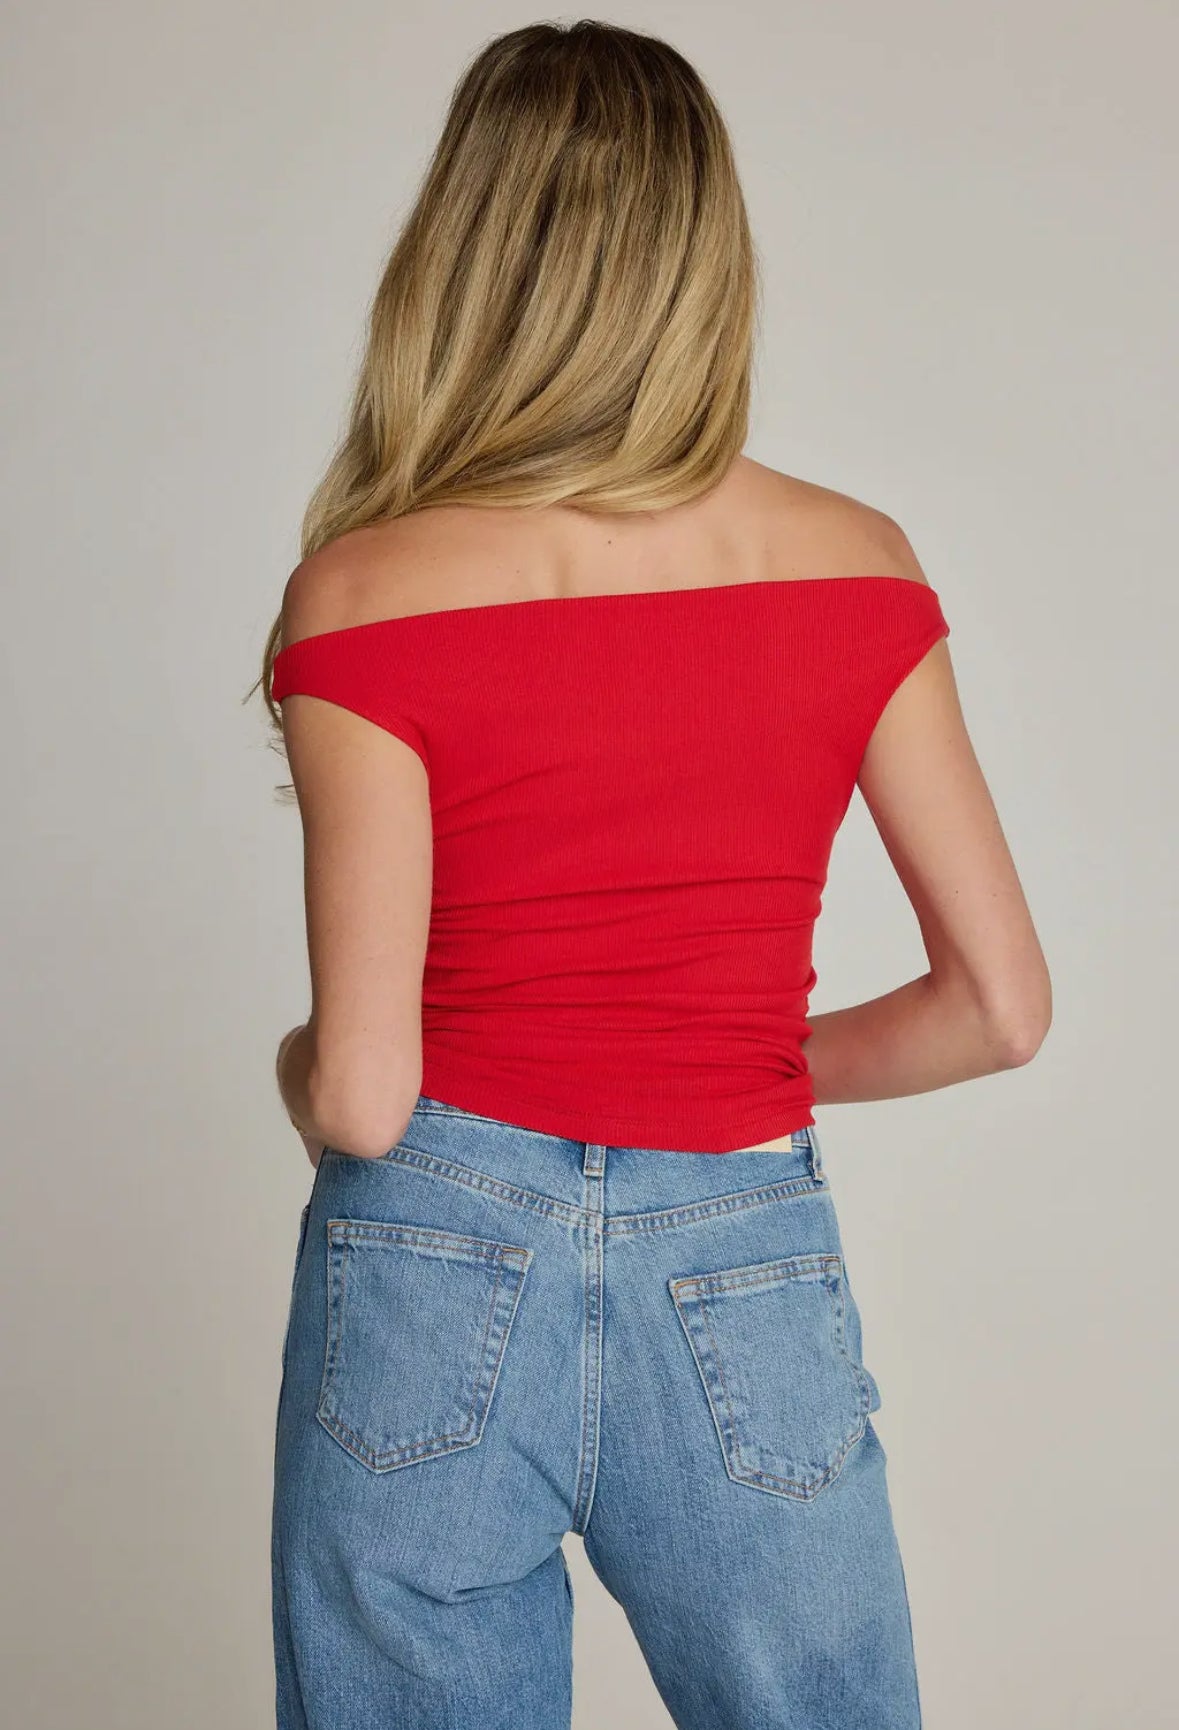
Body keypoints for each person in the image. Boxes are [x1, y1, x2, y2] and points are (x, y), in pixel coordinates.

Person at [260, 20, 1051, 1730]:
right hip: (739, 1250)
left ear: (460, 255)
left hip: (431, 1254)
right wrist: (742, 1059)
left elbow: (366, 1092)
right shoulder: (859, 569)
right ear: (706, 261)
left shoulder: (361, 592)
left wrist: (290, 1062)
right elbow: (1000, 1006)